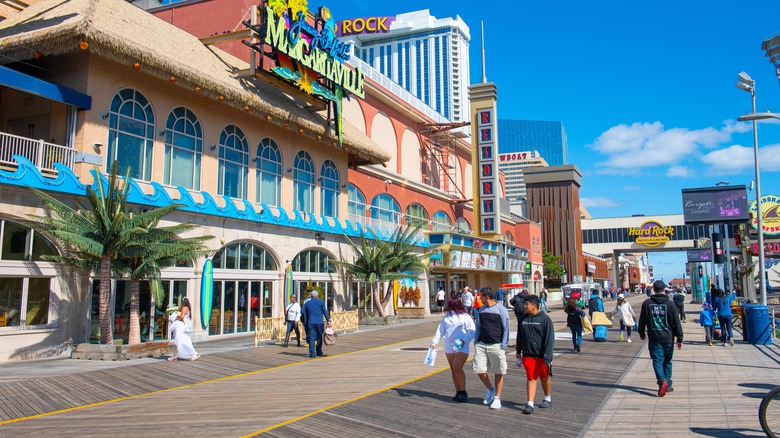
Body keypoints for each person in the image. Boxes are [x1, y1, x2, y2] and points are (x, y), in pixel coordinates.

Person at [638, 280, 683, 397]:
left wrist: (641, 332)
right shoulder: (670, 304)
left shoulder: (647, 304)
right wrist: (679, 338)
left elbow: (642, 320)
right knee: (667, 360)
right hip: (668, 337)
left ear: (653, 289)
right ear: (664, 290)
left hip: (654, 337)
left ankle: (662, 379)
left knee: (657, 360)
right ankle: (667, 383)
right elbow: (676, 322)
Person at [430, 297, 475, 403]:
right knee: (453, 369)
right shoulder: (447, 317)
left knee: (457, 367)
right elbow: (440, 330)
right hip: (449, 345)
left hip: (462, 344)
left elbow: (472, 330)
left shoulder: (465, 317)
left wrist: (465, 340)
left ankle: (463, 391)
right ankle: (458, 391)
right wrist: (434, 343)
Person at [516, 295, 555, 414]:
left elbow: (550, 339)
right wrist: (518, 351)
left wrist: (547, 356)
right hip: (528, 354)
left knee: (544, 377)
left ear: (534, 306)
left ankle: (547, 397)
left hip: (542, 355)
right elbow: (520, 336)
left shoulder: (545, 319)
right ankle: (530, 404)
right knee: (531, 377)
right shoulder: (522, 319)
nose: (525, 306)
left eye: (527, 304)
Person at [473, 287, 510, 410]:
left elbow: (506, 328)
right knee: (479, 370)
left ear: (486, 297)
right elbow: (478, 326)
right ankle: (490, 389)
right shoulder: (481, 310)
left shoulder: (501, 309)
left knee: (498, 372)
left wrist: (503, 344)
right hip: (482, 344)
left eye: (481, 296)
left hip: (496, 345)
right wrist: (476, 341)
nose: (479, 298)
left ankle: (497, 398)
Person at [301, 290, 330, 358]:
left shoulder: (307, 303)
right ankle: (319, 352)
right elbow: (325, 312)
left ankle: (312, 353)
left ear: (311, 296)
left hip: (311, 322)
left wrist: (305, 319)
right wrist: (328, 320)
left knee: (311, 338)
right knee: (319, 337)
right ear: (317, 296)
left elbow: (302, 311)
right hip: (319, 322)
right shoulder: (321, 302)